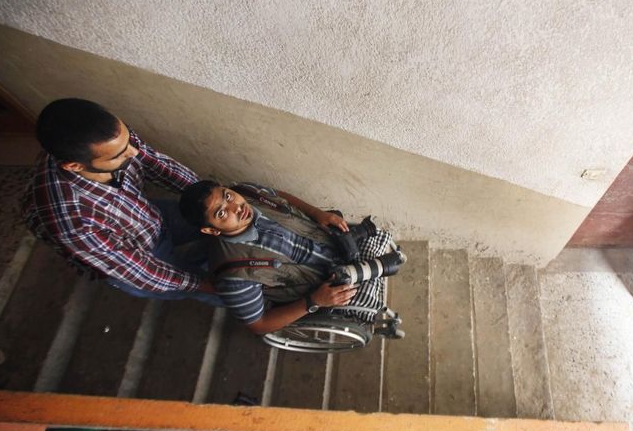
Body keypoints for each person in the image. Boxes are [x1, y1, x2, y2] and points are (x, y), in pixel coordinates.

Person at [22, 98, 220, 305]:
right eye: (118, 155)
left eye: (128, 140)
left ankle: (201, 259)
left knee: (215, 225)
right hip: (134, 254)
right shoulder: (73, 222)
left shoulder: (112, 138)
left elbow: (157, 165)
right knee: (220, 290)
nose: (134, 152)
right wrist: (208, 286)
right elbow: (142, 272)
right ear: (75, 166)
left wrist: (210, 198)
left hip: (146, 216)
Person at [178, 181, 383, 334]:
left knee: (381, 240)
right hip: (324, 286)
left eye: (228, 196)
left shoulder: (247, 192)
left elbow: (280, 197)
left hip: (333, 243)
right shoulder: (233, 277)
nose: (237, 208)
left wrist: (316, 212)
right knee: (372, 304)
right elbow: (259, 324)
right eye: (222, 213)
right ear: (212, 231)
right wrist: (314, 301)